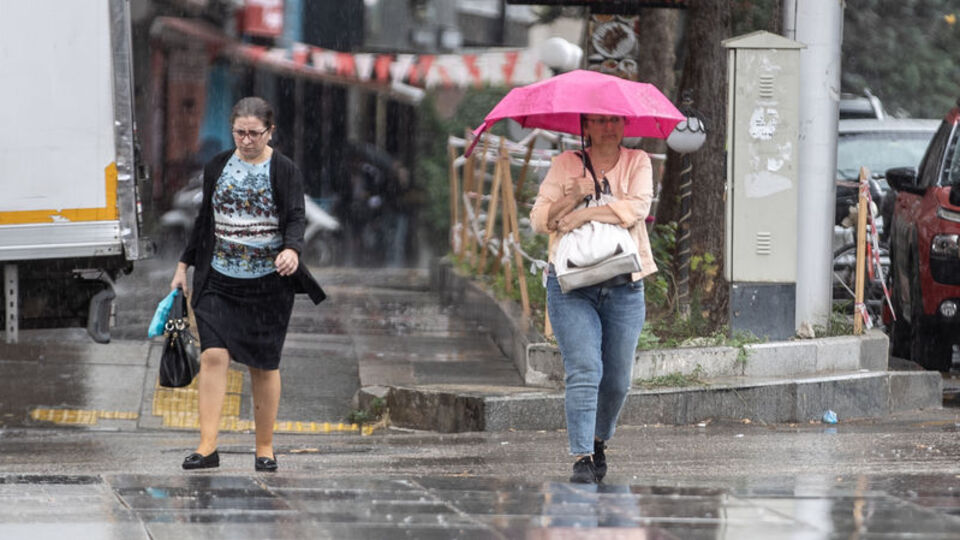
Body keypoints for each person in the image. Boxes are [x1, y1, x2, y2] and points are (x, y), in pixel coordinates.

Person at [170, 97, 325, 472]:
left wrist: (291, 249)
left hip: (268, 284)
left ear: (270, 132)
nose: (246, 140)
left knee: (263, 364)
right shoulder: (218, 166)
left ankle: (265, 447)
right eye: (239, 132)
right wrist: (183, 265)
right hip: (220, 279)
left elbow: (295, 217)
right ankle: (207, 446)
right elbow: (204, 220)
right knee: (212, 356)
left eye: (255, 133)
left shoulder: (285, 170)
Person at [530, 114, 657, 483]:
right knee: (585, 369)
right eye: (599, 121)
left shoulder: (638, 161)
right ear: (585, 126)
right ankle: (583, 456)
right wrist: (570, 196)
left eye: (614, 120)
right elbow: (540, 221)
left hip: (624, 283)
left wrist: (583, 213)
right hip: (571, 283)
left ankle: (599, 439)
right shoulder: (565, 164)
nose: (608, 127)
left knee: (617, 379)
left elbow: (637, 209)